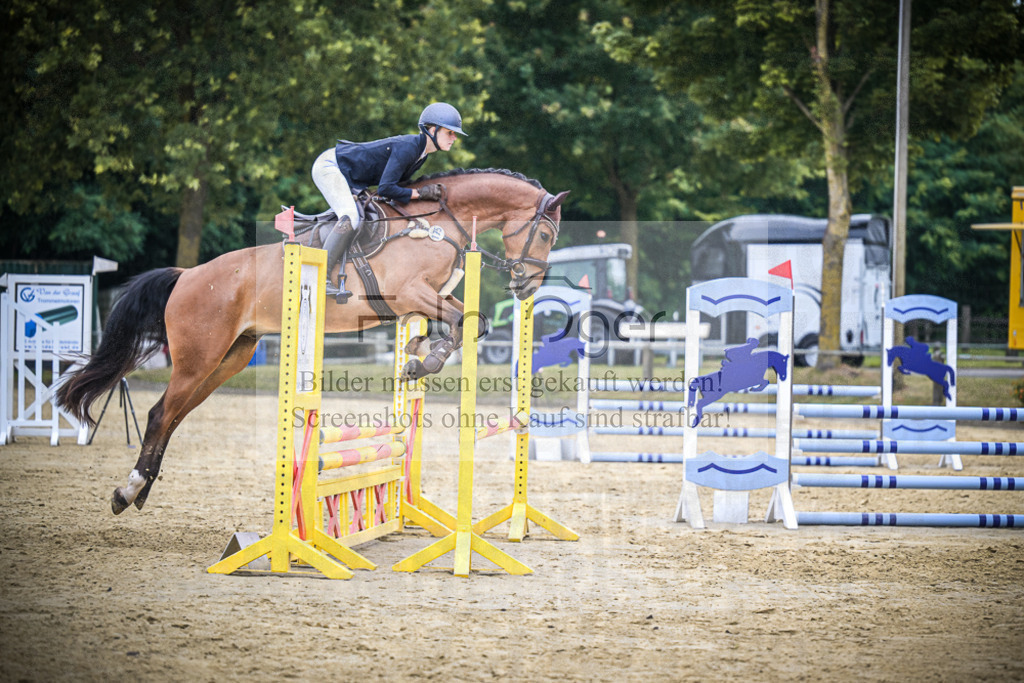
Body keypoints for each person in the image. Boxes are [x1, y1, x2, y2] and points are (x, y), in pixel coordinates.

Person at [310, 102, 467, 301]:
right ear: (432, 130)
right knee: (351, 217)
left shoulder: (421, 154)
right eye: (450, 132)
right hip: (331, 167)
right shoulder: (409, 147)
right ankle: (320, 277)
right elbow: (386, 189)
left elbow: (391, 190)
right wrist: (420, 194)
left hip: (350, 177)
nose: (454, 138)